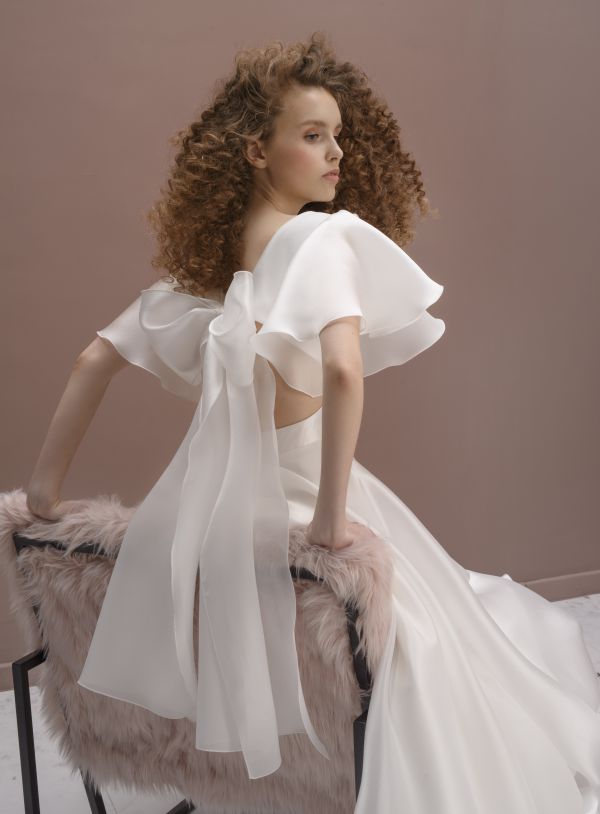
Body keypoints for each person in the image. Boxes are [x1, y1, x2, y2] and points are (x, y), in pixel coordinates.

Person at [25, 32, 600, 813]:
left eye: (338, 135)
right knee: (440, 642)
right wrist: (331, 517)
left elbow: (92, 360)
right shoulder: (321, 239)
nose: (337, 153)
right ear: (256, 151)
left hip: (211, 515)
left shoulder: (205, 285)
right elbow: (343, 370)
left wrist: (44, 495)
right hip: (305, 505)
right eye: (313, 134)